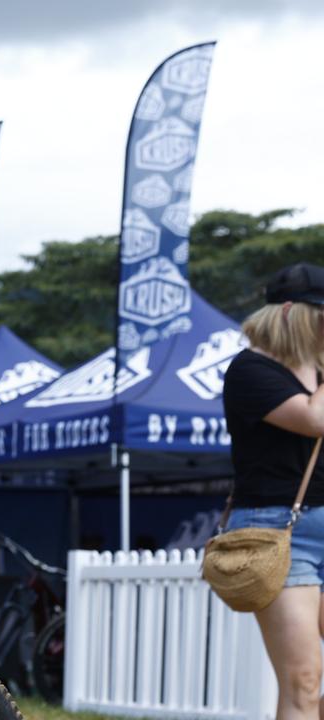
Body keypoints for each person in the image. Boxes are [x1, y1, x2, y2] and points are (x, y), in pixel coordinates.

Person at [222, 262, 324, 719]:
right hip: (281, 532)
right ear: (291, 313)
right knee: (302, 678)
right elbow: (313, 419)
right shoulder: (250, 370)